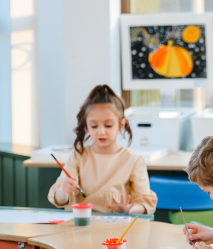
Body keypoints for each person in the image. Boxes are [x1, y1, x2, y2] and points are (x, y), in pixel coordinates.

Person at [47, 85, 157, 215]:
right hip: (81, 226)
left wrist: (129, 210)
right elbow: (60, 200)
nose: (101, 132)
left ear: (121, 124)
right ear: (87, 125)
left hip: (117, 228)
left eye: (108, 125)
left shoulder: (134, 160)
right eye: (93, 126)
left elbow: (145, 203)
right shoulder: (78, 155)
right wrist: (63, 191)